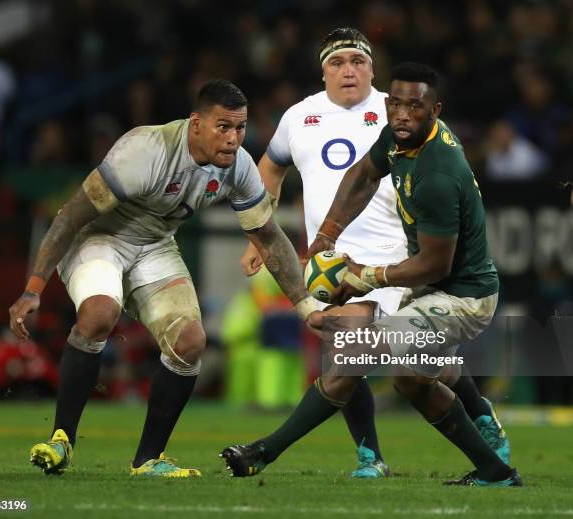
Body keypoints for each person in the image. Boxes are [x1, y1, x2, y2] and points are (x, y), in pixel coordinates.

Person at [222, 63, 521, 487]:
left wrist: (366, 275)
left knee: (356, 352)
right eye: (395, 104)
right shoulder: (400, 137)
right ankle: (494, 469)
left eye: (413, 107)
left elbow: (436, 264)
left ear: (435, 111)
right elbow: (362, 176)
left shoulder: (437, 172)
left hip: (463, 297)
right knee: (412, 377)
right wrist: (326, 236)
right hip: (430, 287)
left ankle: (265, 451)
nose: (401, 114)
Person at [9, 79, 318, 478]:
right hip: (100, 239)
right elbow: (71, 216)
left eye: (240, 128)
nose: (233, 138)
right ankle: (61, 440)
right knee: (101, 312)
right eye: (223, 126)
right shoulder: (145, 151)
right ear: (195, 124)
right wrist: (34, 288)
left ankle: (148, 460)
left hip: (154, 247)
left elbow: (268, 236)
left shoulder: (239, 165)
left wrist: (307, 306)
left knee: (191, 341)